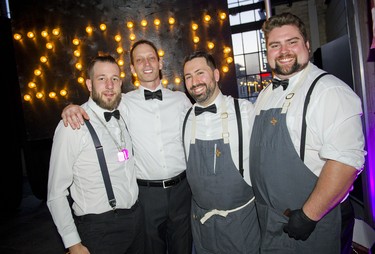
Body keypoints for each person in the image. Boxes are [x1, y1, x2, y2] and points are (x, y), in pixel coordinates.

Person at [61, 39, 193, 254]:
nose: (146, 63)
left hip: (182, 191)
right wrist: (70, 107)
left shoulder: (181, 100)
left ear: (160, 63)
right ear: (132, 69)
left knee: (184, 248)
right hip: (146, 196)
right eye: (139, 60)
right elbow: (95, 107)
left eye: (151, 58)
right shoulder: (122, 102)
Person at [249, 12, 366, 254]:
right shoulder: (265, 94)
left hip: (313, 222)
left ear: (307, 46)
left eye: (292, 42)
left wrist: (308, 215)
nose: (284, 51)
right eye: (275, 45)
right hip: (272, 221)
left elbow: (346, 163)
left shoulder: (329, 91)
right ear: (267, 52)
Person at [47, 55, 144, 254]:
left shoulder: (124, 112)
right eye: (102, 79)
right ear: (89, 84)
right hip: (99, 230)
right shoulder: (73, 126)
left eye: (115, 79)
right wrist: (73, 243)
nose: (109, 85)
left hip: (136, 222)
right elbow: (56, 193)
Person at [182, 50, 260, 254]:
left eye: (200, 73)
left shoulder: (245, 111)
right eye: (188, 77)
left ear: (216, 75)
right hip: (202, 227)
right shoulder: (184, 118)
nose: (194, 81)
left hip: (241, 225)